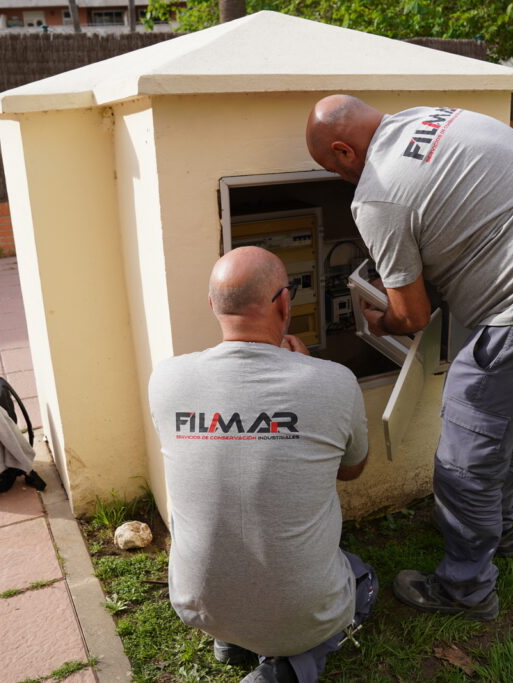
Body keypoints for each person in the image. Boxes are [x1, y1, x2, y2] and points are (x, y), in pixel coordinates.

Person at [305, 95, 513, 621]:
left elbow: (412, 315)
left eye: (336, 170)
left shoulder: (377, 198)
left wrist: (379, 319)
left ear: (343, 151)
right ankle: (500, 531)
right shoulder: (439, 116)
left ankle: (465, 588)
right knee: (507, 426)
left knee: (464, 459)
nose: (343, 181)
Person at [148, 246, 378, 683]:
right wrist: (311, 377)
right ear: (285, 303)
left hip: (197, 603)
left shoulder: (166, 378)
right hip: (300, 612)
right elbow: (351, 469)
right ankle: (285, 669)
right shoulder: (334, 381)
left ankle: (230, 637)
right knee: (362, 578)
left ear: (212, 305)